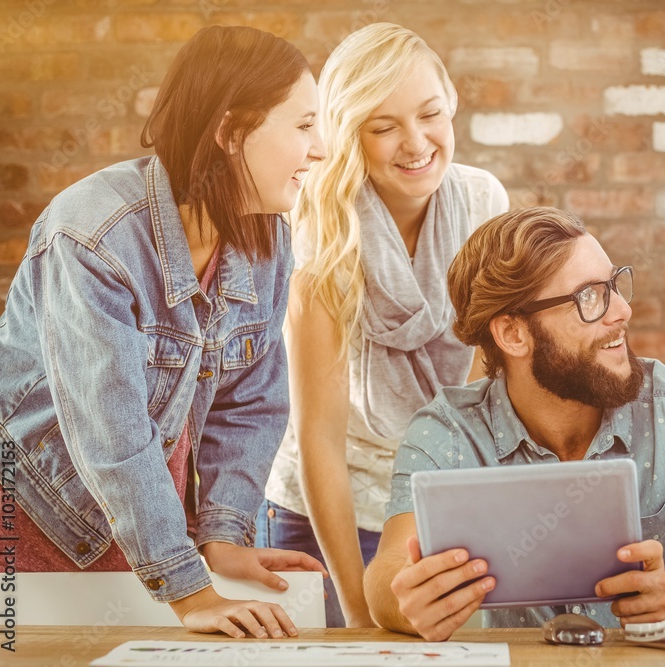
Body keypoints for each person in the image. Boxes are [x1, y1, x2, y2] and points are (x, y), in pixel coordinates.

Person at [0, 26, 327, 637]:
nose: (321, 148)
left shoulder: (266, 234)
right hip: (37, 523)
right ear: (230, 131)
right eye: (303, 125)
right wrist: (193, 592)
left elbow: (248, 403)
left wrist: (221, 536)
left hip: (152, 533)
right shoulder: (92, 236)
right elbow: (111, 435)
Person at [363, 207, 665, 641]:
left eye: (614, 285)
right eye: (589, 297)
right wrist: (408, 603)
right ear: (512, 334)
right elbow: (386, 576)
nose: (621, 310)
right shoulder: (447, 432)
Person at [257, 23, 508, 628]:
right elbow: (320, 437)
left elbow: (480, 389)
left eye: (430, 115)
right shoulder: (318, 235)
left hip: (435, 499)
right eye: (384, 126)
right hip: (323, 515)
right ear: (348, 136)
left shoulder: (482, 204)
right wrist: (357, 605)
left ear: (450, 104)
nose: (417, 142)